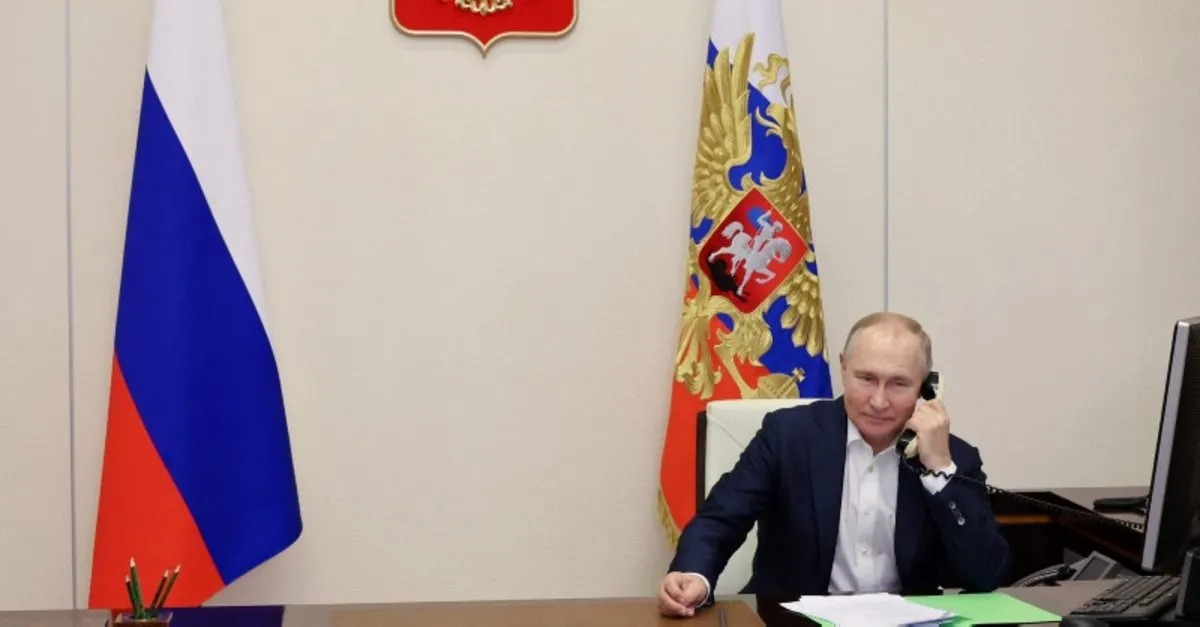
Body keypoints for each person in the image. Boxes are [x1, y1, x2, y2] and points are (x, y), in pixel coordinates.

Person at [657, 312, 1011, 617]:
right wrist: (694, 576)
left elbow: (985, 575)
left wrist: (939, 472)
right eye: (866, 378)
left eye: (899, 384)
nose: (879, 401)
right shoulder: (788, 436)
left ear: (927, 387)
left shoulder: (954, 459)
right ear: (843, 367)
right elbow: (722, 517)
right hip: (792, 621)